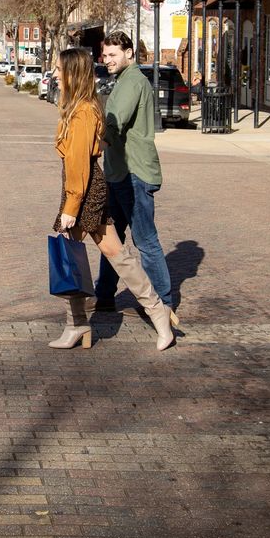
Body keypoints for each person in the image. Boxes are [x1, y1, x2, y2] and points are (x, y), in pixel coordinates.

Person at [49, 47, 175, 351]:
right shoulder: (78, 108)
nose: (53, 74)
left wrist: (70, 207)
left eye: (57, 69)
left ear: (71, 73)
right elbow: (95, 147)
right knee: (71, 261)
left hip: (85, 192)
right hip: (81, 190)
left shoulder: (82, 113)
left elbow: (79, 162)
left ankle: (159, 314)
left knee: (115, 255)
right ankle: (76, 326)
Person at [94, 32, 179, 322]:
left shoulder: (131, 81)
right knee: (111, 238)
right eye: (105, 56)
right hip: (120, 172)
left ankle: (163, 304)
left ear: (130, 53)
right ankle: (104, 296)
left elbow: (113, 124)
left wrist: (92, 148)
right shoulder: (123, 80)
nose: (107, 60)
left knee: (145, 240)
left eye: (113, 54)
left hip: (134, 174)